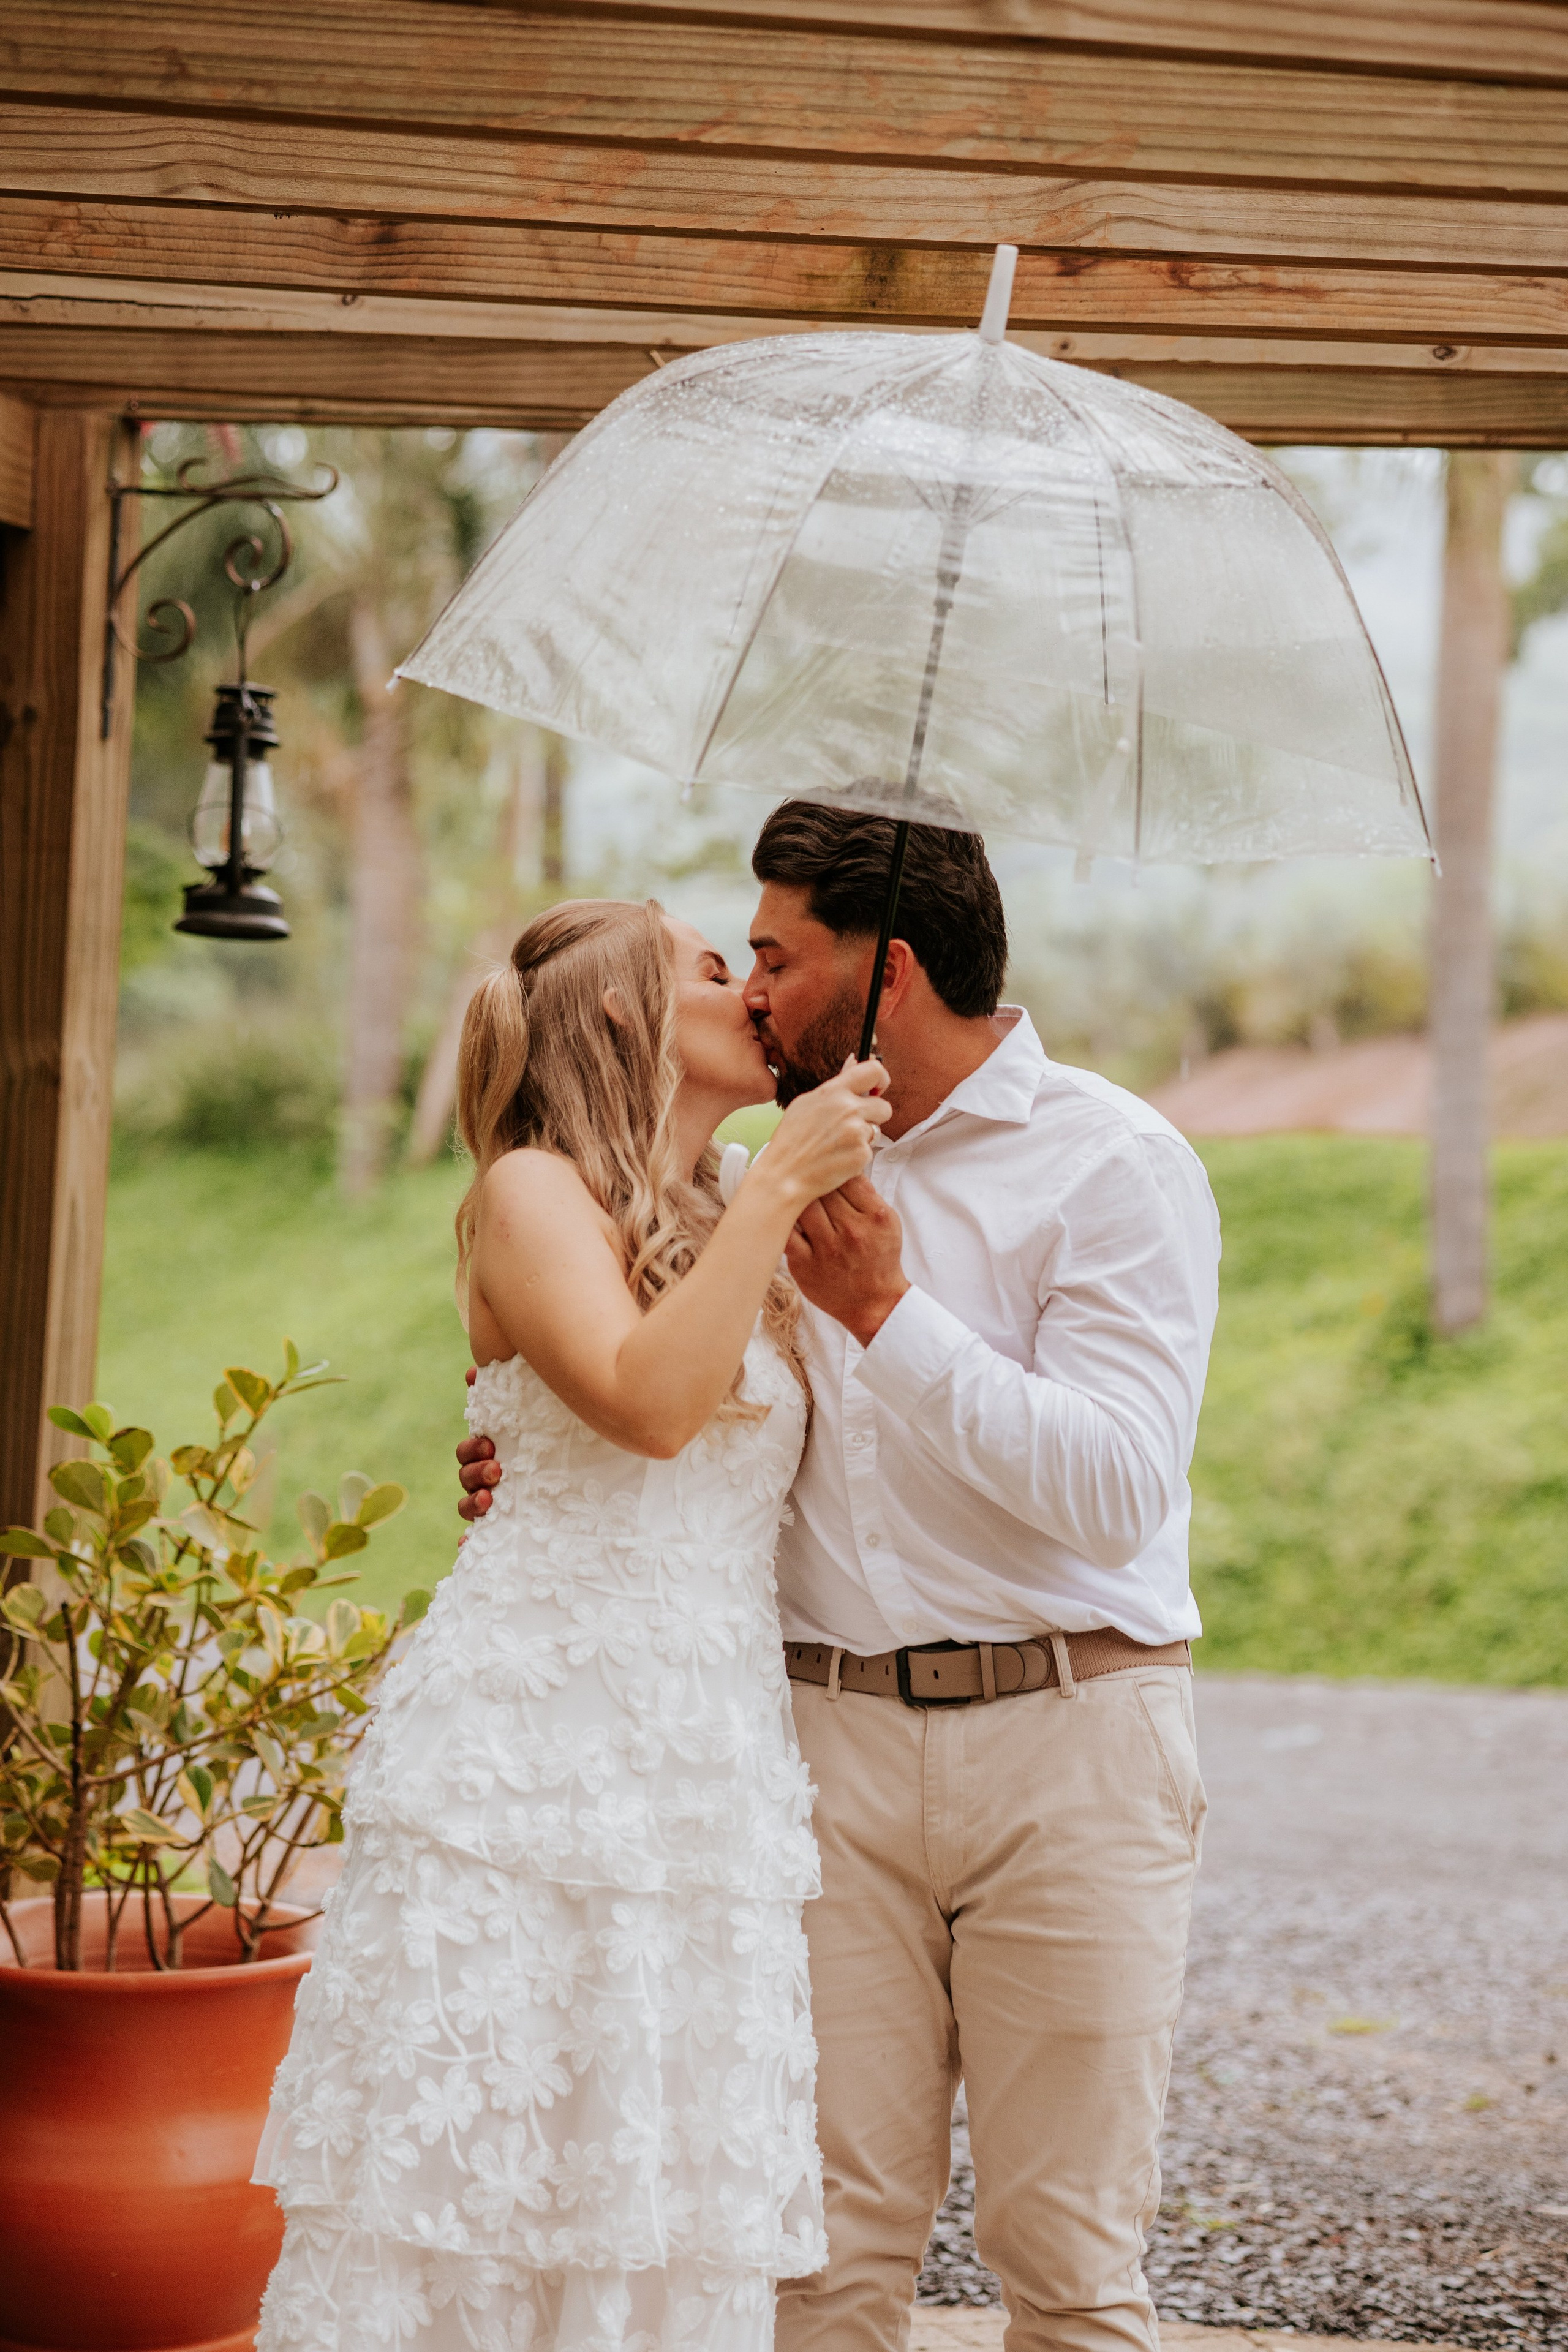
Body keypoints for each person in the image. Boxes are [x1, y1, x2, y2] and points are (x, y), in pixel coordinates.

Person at [461, 809, 1221, 2352]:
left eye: (776, 956)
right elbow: (630, 1385)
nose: (748, 987)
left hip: (1068, 1739)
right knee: (811, 2257)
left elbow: (1116, 1491)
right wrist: (512, 1453)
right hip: (814, 1755)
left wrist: (889, 1314)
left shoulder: (1114, 1161)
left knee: (1068, 2266)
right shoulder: (749, 1170)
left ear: (885, 976)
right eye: (733, 958)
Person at [255, 896, 891, 2352]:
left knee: (651, 2198)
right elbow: (650, 1407)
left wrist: (783, 1197)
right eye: (712, 969)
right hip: (529, 1769)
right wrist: (779, 1189)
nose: (748, 993)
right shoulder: (530, 1188)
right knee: (481, 2188)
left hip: (702, 1775)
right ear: (616, 1014)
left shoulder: (729, 1198)